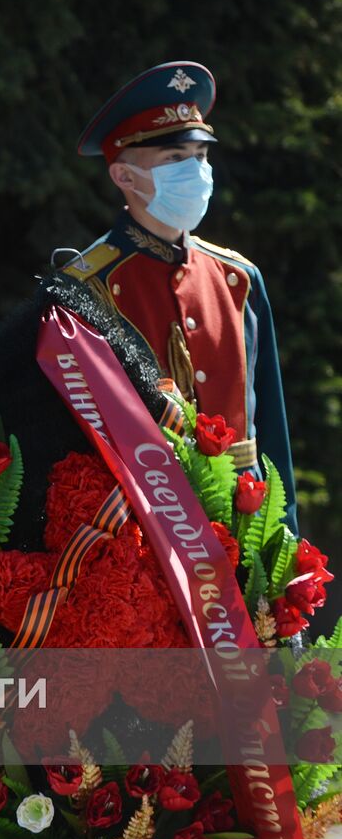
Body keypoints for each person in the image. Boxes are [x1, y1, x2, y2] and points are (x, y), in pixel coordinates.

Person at [60, 60, 296, 527]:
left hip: (243, 519)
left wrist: (284, 536)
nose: (197, 172)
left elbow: (271, 427)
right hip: (144, 529)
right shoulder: (83, 286)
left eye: (201, 156)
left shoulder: (238, 278)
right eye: (174, 159)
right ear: (124, 177)